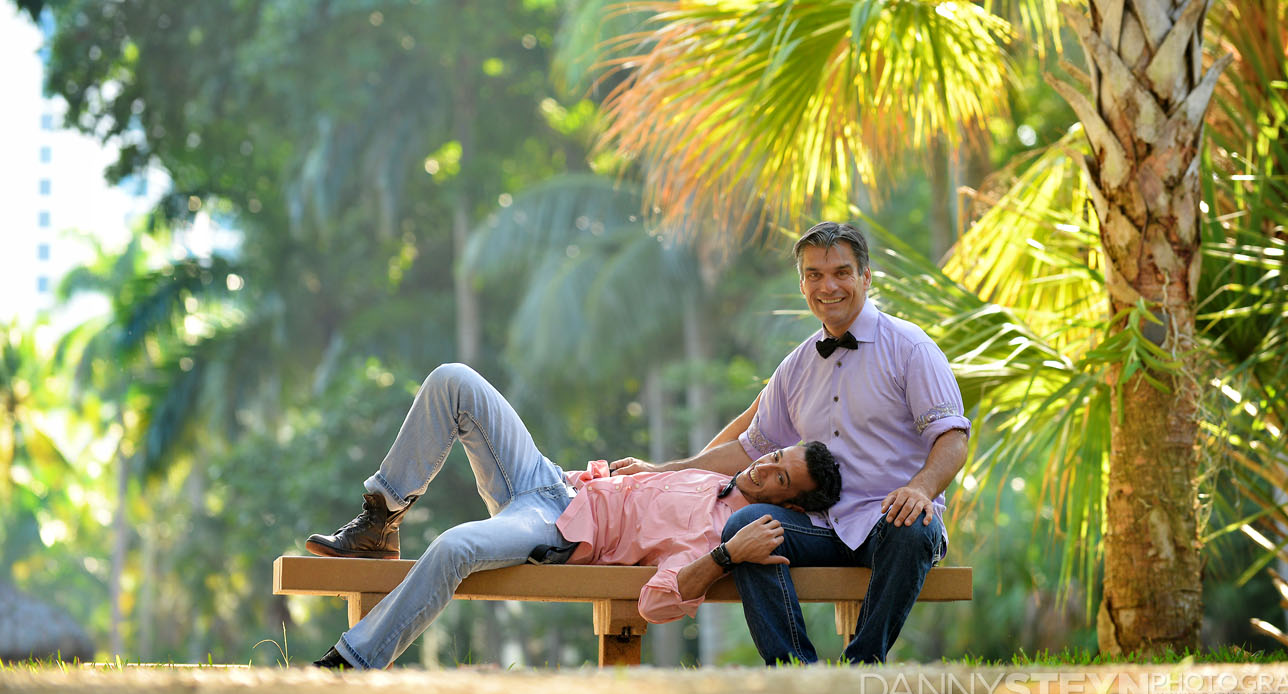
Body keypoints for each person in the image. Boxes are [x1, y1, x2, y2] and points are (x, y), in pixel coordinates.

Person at [303, 362, 842, 669]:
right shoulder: (715, 478)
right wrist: (652, 471)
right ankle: (380, 518)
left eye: (780, 477)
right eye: (773, 457)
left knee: (454, 547)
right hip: (550, 481)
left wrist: (726, 556)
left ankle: (351, 664)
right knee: (454, 380)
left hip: (553, 531)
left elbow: (656, 602)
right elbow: (739, 433)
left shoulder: (720, 534)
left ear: (789, 505)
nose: (765, 468)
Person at [610, 221, 969, 665]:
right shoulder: (796, 367)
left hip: (891, 521)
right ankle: (795, 670)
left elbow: (952, 438)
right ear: (802, 284)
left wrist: (920, 489)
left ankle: (863, 665)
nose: (828, 286)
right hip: (821, 527)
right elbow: (748, 449)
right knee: (751, 524)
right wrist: (663, 471)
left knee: (912, 529)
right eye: (815, 275)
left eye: (841, 272)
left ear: (866, 277)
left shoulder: (911, 348)